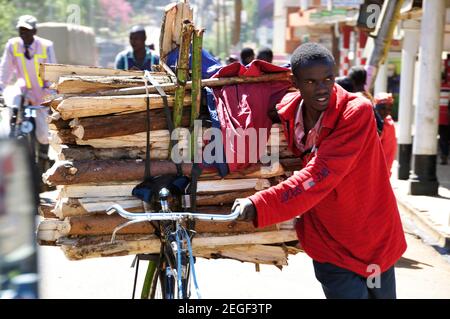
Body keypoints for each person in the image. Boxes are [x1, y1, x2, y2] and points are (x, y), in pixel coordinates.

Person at [232, 43, 406, 299]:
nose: (322, 89)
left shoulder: (356, 112)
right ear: (295, 81)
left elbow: (320, 174)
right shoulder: (289, 111)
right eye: (311, 82)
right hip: (329, 243)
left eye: (328, 79)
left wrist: (260, 204)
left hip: (373, 236)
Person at [0, 15, 57, 145]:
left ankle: (45, 157)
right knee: (11, 110)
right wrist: (0, 87)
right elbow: (5, 69)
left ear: (34, 31)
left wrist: (51, 94)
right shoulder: (12, 45)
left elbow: (52, 72)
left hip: (42, 92)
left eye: (27, 30)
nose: (23, 33)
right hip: (23, 90)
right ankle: (13, 138)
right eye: (21, 30)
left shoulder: (46, 46)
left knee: (43, 136)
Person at [374, 92, 397, 174]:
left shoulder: (389, 124)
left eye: (389, 109)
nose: (386, 112)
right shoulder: (370, 120)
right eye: (383, 108)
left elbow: (388, 153)